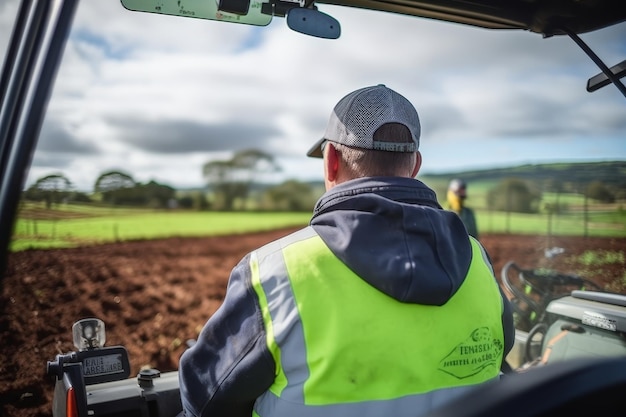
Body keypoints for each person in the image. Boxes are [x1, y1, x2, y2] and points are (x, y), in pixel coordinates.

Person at [178, 84, 515, 417]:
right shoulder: (477, 259)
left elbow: (204, 401)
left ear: (331, 162)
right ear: (414, 166)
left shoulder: (275, 270)